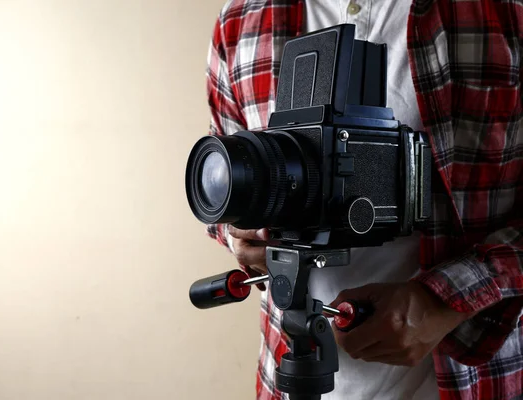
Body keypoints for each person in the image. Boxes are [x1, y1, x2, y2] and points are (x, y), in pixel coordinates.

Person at [203, 0, 523, 399]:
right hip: (286, 374)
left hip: (465, 380)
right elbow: (227, 180)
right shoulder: (240, 21)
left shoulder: (502, 12)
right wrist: (239, 231)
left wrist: (444, 301)